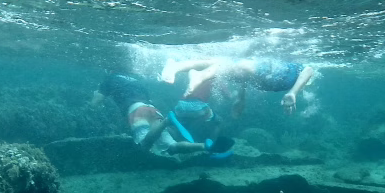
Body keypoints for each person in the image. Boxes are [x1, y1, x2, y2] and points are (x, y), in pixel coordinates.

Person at [92, 73, 213, 157]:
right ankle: (203, 146)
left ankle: (166, 122)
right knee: (171, 147)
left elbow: (95, 103)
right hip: (152, 109)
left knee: (144, 145)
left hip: (135, 111)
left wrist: (96, 94)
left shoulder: (109, 79)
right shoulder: (136, 82)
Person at [160, 58, 314, 116]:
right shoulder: (299, 75)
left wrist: (241, 98)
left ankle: (179, 67)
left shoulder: (289, 78)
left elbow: (247, 81)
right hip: (267, 72)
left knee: (222, 64)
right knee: (226, 65)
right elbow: (309, 70)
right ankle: (197, 74)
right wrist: (293, 93)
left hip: (262, 74)